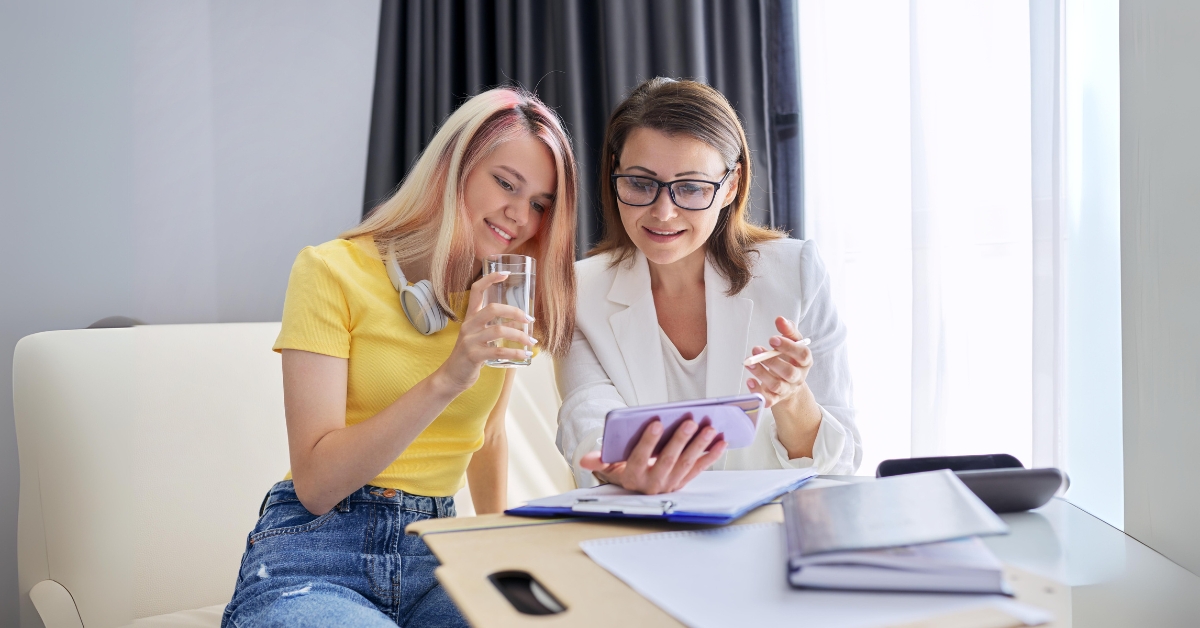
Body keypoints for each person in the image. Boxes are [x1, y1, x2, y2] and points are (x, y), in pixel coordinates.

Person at [221, 87, 578, 628]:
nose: (519, 215)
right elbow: (317, 486)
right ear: (451, 168)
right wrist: (451, 374)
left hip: (439, 551)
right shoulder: (330, 272)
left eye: (539, 205)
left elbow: (490, 437)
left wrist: (502, 548)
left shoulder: (493, 294)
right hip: (320, 550)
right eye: (505, 183)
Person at [555, 78, 861, 494]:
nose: (663, 213)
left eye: (691, 188)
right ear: (614, 175)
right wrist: (619, 468)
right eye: (641, 184)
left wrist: (792, 398)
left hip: (777, 530)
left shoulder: (795, 272)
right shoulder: (578, 290)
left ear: (730, 187)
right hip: (648, 532)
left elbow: (842, 461)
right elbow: (590, 426)